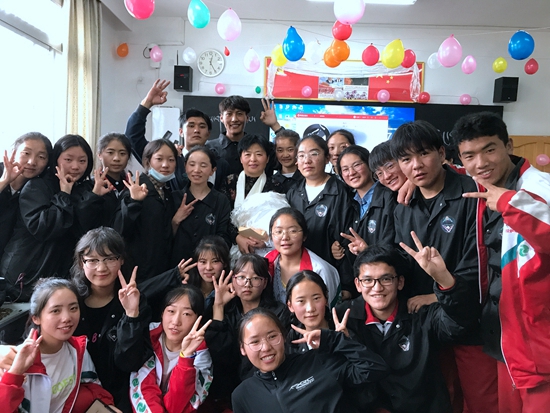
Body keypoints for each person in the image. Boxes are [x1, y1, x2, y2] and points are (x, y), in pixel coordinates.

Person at [390, 120, 498, 413]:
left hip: (472, 322)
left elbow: (480, 262)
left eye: (424, 153)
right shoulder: (403, 206)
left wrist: (437, 295)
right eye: (406, 159)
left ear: (441, 153)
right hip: (425, 324)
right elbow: (403, 260)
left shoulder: (472, 194)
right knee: (439, 400)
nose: (416, 165)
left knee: (481, 401)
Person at [454, 112, 550, 413]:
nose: (481, 163)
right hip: (506, 340)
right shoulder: (484, 191)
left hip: (540, 348)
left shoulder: (537, 188)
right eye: (469, 156)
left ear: (508, 146)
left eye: (490, 149)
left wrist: (512, 204)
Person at [336, 243, 479, 413]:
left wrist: (444, 280)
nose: (377, 288)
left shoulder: (421, 313)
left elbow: (461, 323)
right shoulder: (344, 318)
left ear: (400, 282)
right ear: (358, 284)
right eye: (368, 280)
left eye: (386, 279)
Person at [1, 134, 108, 301]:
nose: (75, 166)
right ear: (55, 159)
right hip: (26, 274)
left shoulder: (82, 188)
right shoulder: (37, 186)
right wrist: (64, 195)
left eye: (82, 161)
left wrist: (93, 197)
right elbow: (43, 228)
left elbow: (82, 232)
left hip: (58, 274)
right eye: (68, 159)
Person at [231, 307, 388, 413]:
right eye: (255, 342)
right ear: (242, 349)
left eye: (272, 337)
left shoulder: (318, 362)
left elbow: (376, 369)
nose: (266, 347)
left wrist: (334, 339)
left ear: (283, 337)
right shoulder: (242, 395)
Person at [0, 278, 116, 412]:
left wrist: (108, 407)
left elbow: (91, 386)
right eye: (56, 311)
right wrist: (15, 373)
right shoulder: (14, 361)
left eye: (73, 308)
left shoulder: (77, 349)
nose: (67, 318)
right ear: (36, 318)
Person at [70, 227, 153, 411]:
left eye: (109, 259)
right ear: (82, 262)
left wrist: (131, 314)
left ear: (121, 260)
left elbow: (129, 363)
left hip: (121, 396)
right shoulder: (70, 300)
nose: (101, 268)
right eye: (92, 260)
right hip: (75, 394)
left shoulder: (136, 301)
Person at [204, 254, 290, 410]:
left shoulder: (278, 312)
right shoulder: (228, 311)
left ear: (265, 283)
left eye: (255, 278)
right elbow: (221, 355)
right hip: (231, 391)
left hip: (270, 387)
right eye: (241, 277)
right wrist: (218, 306)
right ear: (233, 280)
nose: (247, 284)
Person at [286, 135, 355, 298]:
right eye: (301, 155)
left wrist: (346, 285)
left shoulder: (340, 191)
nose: (307, 160)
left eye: (314, 154)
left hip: (331, 276)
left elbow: (345, 240)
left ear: (327, 158)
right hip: (298, 276)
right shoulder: (293, 193)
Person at [129, 285, 213, 413]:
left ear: (198, 320)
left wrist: (186, 357)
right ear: (162, 313)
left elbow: (177, 407)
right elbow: (144, 390)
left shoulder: (202, 355)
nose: (176, 321)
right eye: (171, 311)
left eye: (186, 314)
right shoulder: (148, 336)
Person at [115, 139, 178, 280]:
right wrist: (134, 202)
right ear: (148, 161)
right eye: (159, 159)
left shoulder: (167, 193)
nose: (165, 165)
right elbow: (119, 229)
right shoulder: (135, 189)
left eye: (171, 160)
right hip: (138, 271)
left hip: (160, 269)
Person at [221, 134, 289, 258]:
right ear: (241, 158)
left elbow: (281, 220)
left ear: (267, 159)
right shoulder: (229, 182)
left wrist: (267, 241)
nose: (253, 159)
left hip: (263, 249)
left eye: (259, 154)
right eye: (247, 154)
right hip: (231, 245)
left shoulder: (275, 186)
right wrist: (237, 237)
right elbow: (223, 215)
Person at [265, 207, 341, 308]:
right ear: (271, 236)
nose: (285, 237)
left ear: (304, 235)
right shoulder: (266, 263)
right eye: (278, 232)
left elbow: (328, 310)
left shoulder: (319, 270)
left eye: (292, 231)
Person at [171, 146, 231, 267]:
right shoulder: (174, 198)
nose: (197, 170)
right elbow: (162, 238)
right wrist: (175, 220)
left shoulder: (221, 200)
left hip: (208, 269)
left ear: (212, 170)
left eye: (203, 165)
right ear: (185, 167)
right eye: (192, 164)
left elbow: (224, 238)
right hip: (177, 267)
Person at [333, 145, 396, 258]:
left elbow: (392, 243)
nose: (351, 172)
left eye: (357, 165)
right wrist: (337, 247)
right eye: (345, 169)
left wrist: (367, 251)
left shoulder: (389, 196)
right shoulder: (348, 201)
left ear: (369, 165)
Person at [0, 132, 52, 258]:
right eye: (26, 153)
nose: (32, 162)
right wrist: (4, 181)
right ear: (14, 152)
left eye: (41, 157)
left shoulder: (40, 190)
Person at [183, 235, 231, 312]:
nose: (208, 268)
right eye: (203, 262)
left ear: (225, 263)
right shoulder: (186, 286)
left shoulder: (230, 293)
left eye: (215, 261)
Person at [96, 132, 132, 227]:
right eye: (110, 153)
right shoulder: (90, 186)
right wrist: (94, 196)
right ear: (99, 155)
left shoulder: (132, 187)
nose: (116, 158)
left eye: (122, 153)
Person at [271, 129, 303, 194]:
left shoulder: (307, 179)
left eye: (290, 150)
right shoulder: (271, 181)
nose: (285, 155)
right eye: (280, 150)